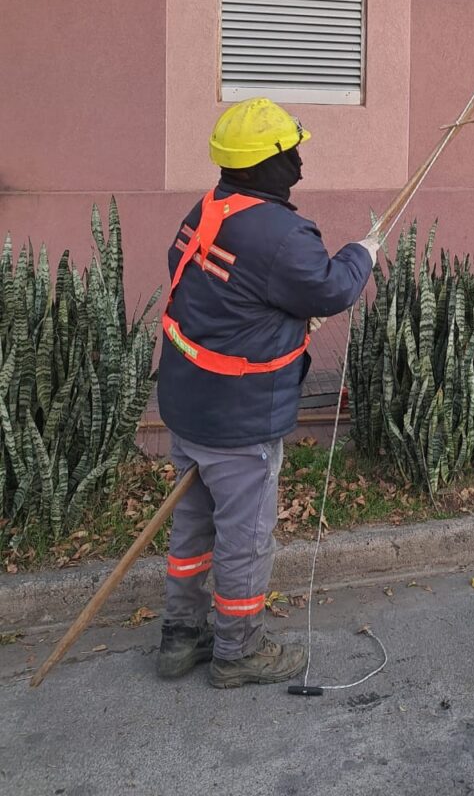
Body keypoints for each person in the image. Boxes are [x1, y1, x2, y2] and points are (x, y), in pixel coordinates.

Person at [155, 98, 379, 689]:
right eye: (291, 153)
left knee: (192, 527)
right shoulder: (282, 234)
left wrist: (280, 320)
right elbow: (330, 289)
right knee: (245, 540)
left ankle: (180, 637)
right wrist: (362, 253)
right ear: (264, 163)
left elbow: (222, 295)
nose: (300, 165)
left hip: (187, 405)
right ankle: (238, 652)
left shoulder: (208, 209)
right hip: (239, 418)